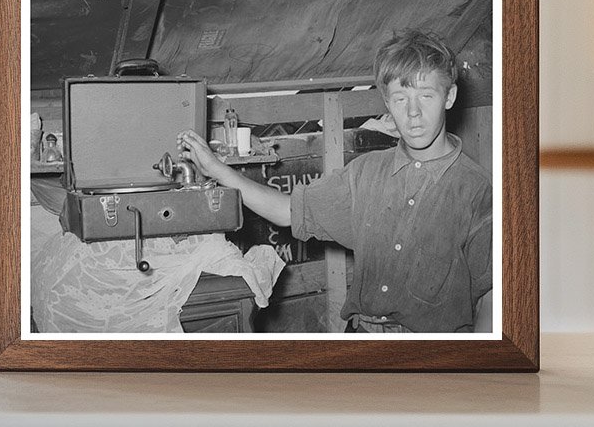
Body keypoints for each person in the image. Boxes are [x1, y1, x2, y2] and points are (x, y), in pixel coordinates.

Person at [178, 29, 493, 334]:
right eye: (400, 98)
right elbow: (288, 211)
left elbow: (492, 297)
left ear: (449, 96)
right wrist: (217, 168)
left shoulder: (478, 191)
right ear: (386, 102)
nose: (413, 112)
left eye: (426, 95)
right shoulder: (365, 173)